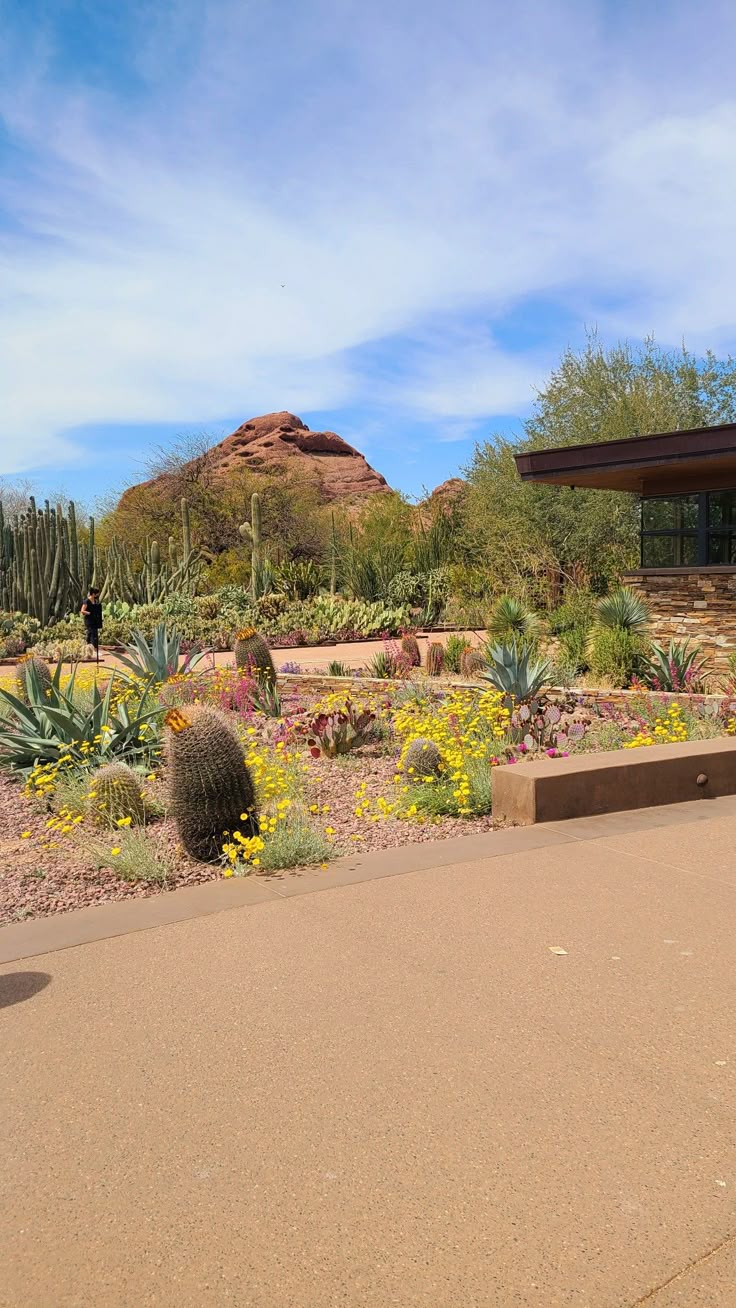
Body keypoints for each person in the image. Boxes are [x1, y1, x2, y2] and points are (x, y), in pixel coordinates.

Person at [80, 587, 103, 658]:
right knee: (94, 635)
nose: (98, 595)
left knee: (90, 635)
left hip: (95, 620)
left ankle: (88, 650)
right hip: (89, 621)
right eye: (97, 594)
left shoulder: (95, 601)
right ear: (93, 594)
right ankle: (95, 651)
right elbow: (82, 610)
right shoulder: (86, 601)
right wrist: (90, 613)